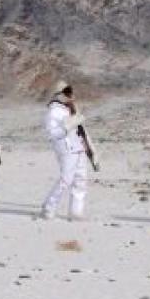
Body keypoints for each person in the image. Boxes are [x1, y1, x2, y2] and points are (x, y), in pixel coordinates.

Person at [40, 81, 89, 220]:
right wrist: (67, 126)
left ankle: (76, 211)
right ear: (58, 94)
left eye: (70, 92)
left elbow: (80, 130)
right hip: (66, 149)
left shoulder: (71, 108)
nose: (70, 95)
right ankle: (49, 207)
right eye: (66, 92)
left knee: (80, 179)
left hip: (78, 147)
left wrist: (86, 144)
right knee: (66, 179)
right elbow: (52, 134)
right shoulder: (53, 111)